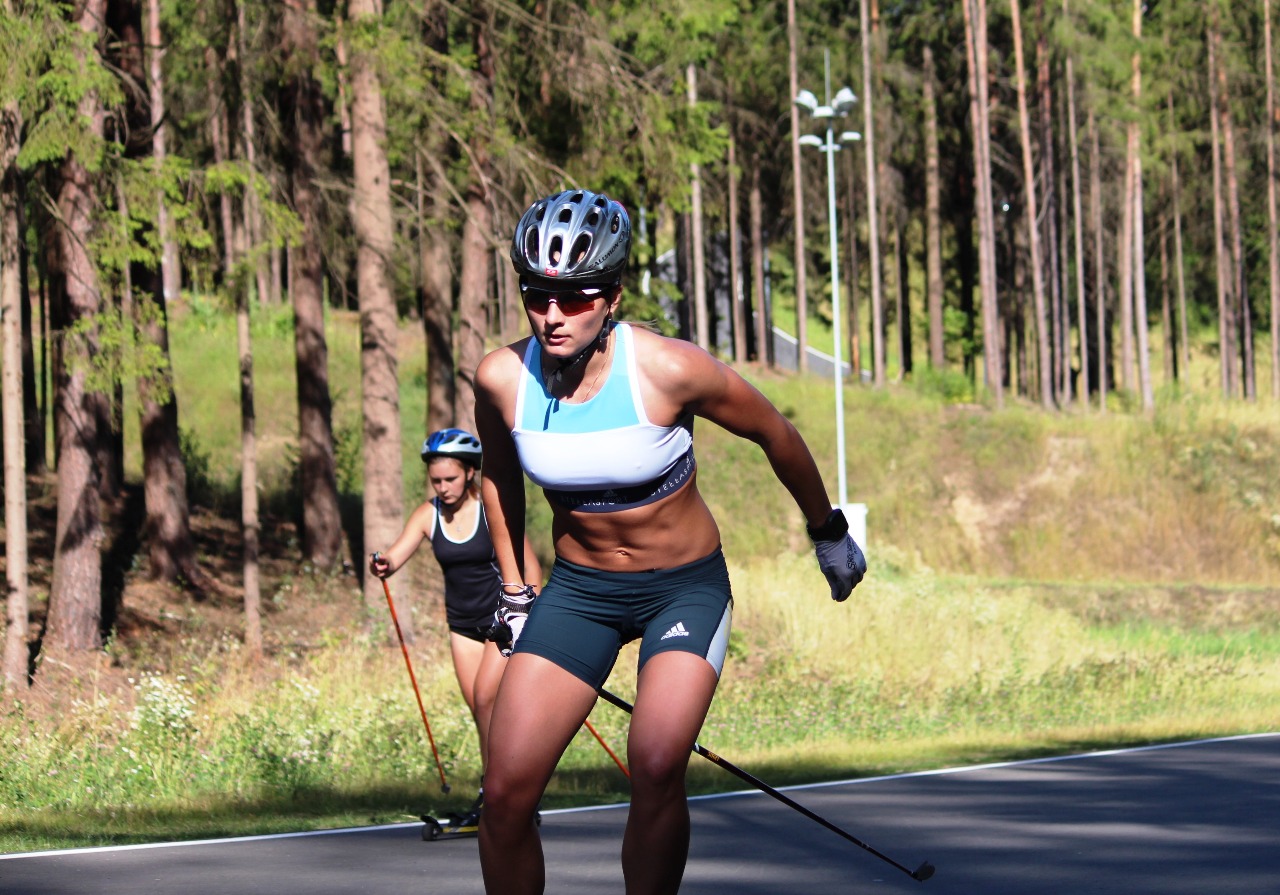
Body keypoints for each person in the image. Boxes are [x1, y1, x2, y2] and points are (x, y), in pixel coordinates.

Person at [472, 188, 866, 895]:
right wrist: (513, 588)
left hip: (682, 587)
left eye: (576, 294)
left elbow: (774, 433)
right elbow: (498, 476)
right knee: (503, 795)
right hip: (580, 594)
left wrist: (826, 530)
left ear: (613, 295)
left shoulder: (669, 370)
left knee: (654, 762)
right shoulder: (503, 377)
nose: (553, 314)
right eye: (537, 294)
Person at [369, 428, 542, 826]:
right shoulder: (428, 514)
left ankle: (505, 795)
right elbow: (396, 555)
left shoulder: (490, 509)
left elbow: (529, 564)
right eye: (436, 481)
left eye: (450, 479)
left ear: (469, 473)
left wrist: (529, 610)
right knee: (481, 710)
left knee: (486, 698)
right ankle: (498, 794)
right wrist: (383, 563)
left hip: (502, 622)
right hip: (462, 625)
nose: (443, 488)